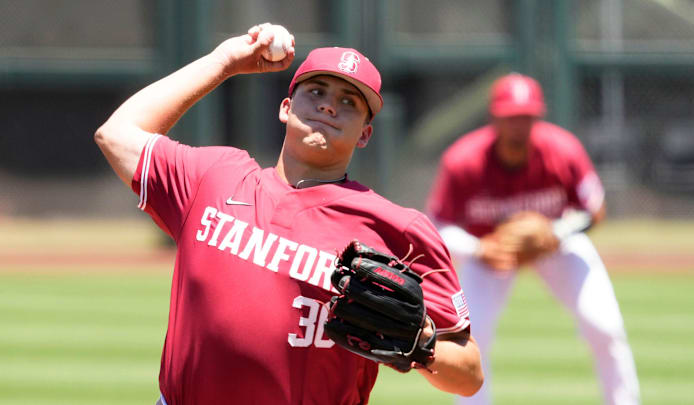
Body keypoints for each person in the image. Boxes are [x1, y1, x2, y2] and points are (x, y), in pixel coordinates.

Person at [94, 23, 483, 405]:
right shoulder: (212, 178)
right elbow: (116, 134)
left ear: (365, 134)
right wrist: (224, 62)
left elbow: (469, 375)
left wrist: (422, 345)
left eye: (349, 102)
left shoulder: (398, 229)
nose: (329, 105)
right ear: (286, 108)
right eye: (316, 91)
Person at [426, 73, 640, 405]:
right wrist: (479, 249)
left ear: (538, 117)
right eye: (511, 117)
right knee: (470, 340)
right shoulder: (463, 160)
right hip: (491, 250)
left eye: (526, 117)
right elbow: (438, 224)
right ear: (494, 117)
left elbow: (594, 209)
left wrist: (556, 232)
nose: (518, 125)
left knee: (605, 327)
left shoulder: (562, 149)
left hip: (557, 247)